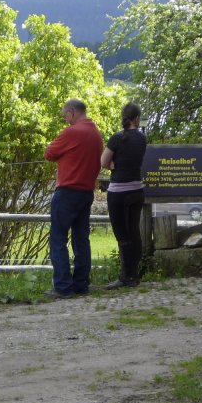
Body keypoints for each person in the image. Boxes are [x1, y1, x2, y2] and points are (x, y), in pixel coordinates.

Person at [44, 99, 103, 298]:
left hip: (67, 191)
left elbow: (49, 153)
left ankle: (63, 286)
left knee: (58, 238)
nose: (65, 119)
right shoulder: (96, 134)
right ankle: (81, 284)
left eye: (65, 115)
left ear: (71, 112)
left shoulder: (71, 132)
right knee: (81, 239)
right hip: (86, 193)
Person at [100, 102, 147, 289]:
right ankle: (134, 275)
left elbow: (103, 162)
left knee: (122, 235)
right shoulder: (143, 138)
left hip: (119, 191)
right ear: (137, 118)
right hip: (137, 189)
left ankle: (125, 277)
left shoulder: (116, 138)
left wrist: (114, 165)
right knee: (135, 232)